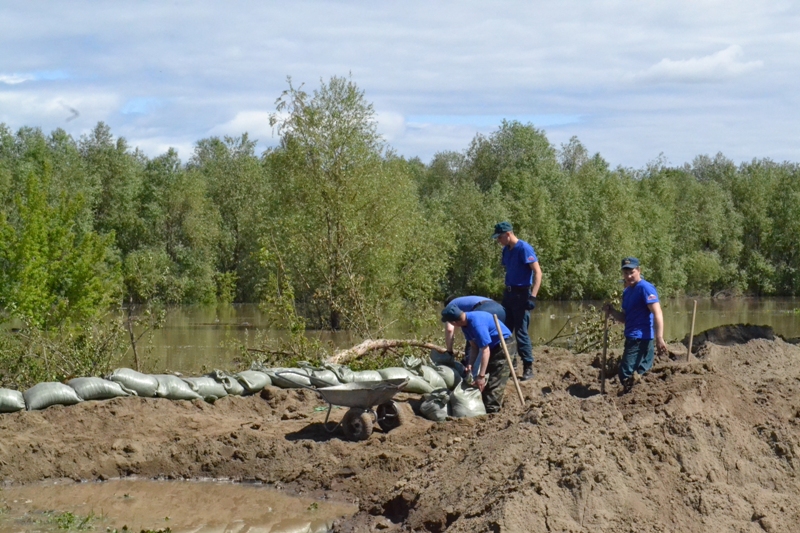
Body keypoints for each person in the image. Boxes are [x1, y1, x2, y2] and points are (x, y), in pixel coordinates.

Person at [603, 257, 668, 392]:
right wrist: (612, 311)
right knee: (638, 371)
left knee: (626, 373)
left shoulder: (645, 288)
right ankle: (636, 393)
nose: (629, 276)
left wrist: (659, 337)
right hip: (631, 337)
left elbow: (657, 312)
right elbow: (626, 318)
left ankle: (634, 396)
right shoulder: (627, 292)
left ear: (638, 270)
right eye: (626, 273)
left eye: (632, 272)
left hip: (641, 337)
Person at [441, 302, 515, 413]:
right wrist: (470, 363)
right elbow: (474, 347)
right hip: (492, 346)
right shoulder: (465, 324)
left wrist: (481, 376)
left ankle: (492, 411)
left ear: (455, 322)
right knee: (485, 378)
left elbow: (485, 351)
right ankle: (486, 404)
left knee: (494, 380)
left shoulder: (476, 325)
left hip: (504, 345)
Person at [492, 221, 541, 381]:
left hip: (522, 294)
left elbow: (538, 272)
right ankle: (510, 364)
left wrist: (532, 296)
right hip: (509, 294)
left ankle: (528, 367)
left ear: (508, 234)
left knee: (521, 332)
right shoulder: (506, 250)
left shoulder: (524, 248)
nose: (499, 241)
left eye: (500, 238)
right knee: (505, 330)